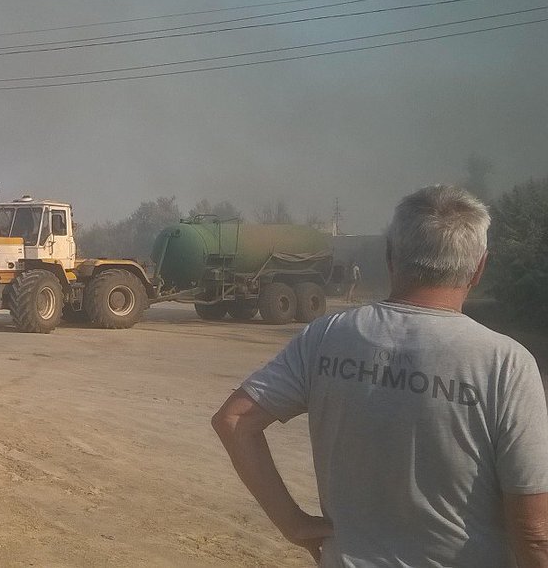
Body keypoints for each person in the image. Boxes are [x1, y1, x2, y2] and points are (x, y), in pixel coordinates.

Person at [211, 185, 548, 567]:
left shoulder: (326, 336)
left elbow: (234, 419)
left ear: (391, 256)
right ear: (479, 267)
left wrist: (292, 523)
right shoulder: (504, 362)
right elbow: (534, 533)